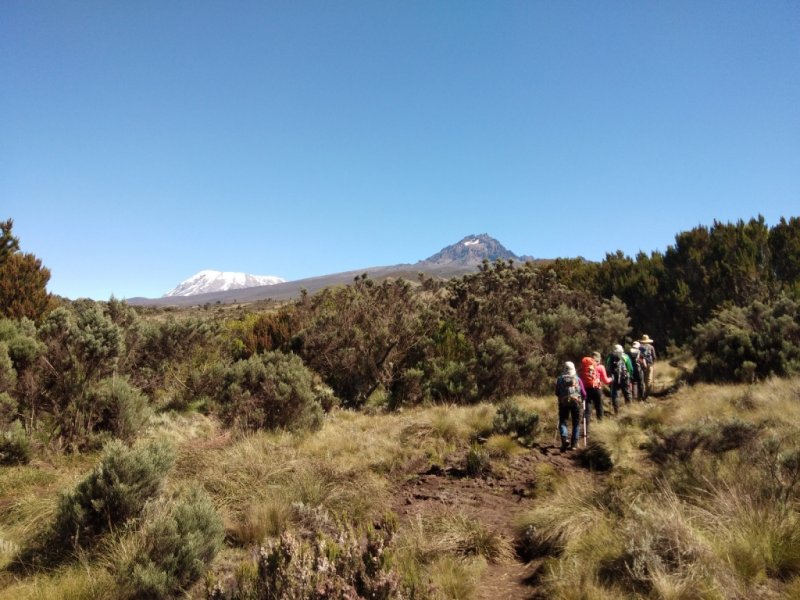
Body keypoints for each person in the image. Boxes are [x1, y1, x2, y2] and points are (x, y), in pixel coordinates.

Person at [555, 361, 586, 451]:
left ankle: (564, 439)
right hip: (576, 403)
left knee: (563, 421)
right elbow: (584, 393)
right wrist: (583, 399)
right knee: (576, 423)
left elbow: (557, 392)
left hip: (563, 403)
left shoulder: (560, 379)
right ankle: (574, 445)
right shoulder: (577, 379)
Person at [581, 352, 611, 423]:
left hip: (586, 389)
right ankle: (600, 424)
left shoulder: (585, 366)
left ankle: (586, 428)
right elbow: (606, 381)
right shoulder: (601, 367)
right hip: (597, 389)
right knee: (599, 406)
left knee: (587, 409)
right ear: (599, 359)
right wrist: (611, 379)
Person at [605, 344, 632, 415]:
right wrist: (630, 376)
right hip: (624, 377)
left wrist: (608, 376)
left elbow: (607, 367)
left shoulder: (610, 357)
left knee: (615, 395)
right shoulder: (625, 356)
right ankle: (629, 409)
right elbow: (630, 367)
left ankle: (616, 412)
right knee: (627, 393)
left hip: (614, 378)